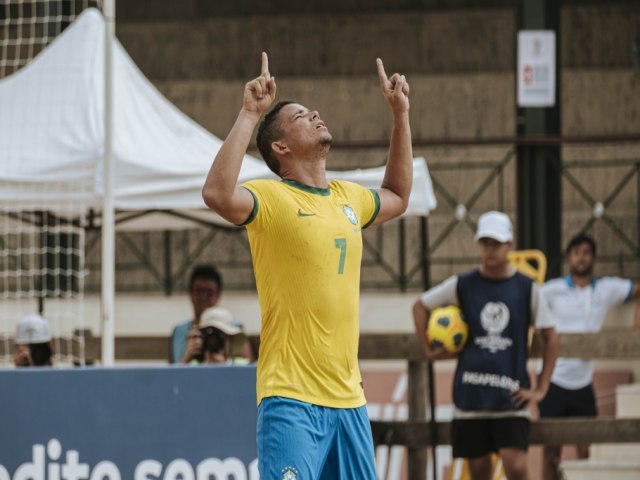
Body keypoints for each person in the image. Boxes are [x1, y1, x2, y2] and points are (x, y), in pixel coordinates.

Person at [202, 52, 412, 479]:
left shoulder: (347, 196)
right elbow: (217, 194)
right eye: (300, 116)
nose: (314, 114)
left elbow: (397, 194)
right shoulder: (274, 198)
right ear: (281, 147)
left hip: (349, 401)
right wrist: (249, 113)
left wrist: (400, 116)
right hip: (291, 399)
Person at [412, 211, 559, 480]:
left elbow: (551, 336)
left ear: (509, 245)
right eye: (485, 243)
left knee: (516, 468)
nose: (490, 249)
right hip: (471, 397)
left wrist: (541, 388)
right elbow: (420, 306)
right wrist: (428, 351)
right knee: (479, 473)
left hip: (511, 396)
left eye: (497, 243)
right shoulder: (463, 284)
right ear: (479, 244)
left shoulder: (527, 287)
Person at [539, 233, 640, 480]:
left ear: (593, 258)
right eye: (576, 252)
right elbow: (526, 303)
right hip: (554, 382)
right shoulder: (553, 289)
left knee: (586, 450)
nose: (581, 258)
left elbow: (637, 290)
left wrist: (636, 330)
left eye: (586, 252)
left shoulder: (606, 289)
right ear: (569, 257)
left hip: (583, 385)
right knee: (550, 452)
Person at [169, 264, 223, 364]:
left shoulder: (234, 331)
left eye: (209, 292)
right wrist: (186, 357)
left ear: (218, 295)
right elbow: (170, 375)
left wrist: (225, 365)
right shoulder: (179, 332)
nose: (203, 297)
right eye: (199, 291)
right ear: (190, 294)